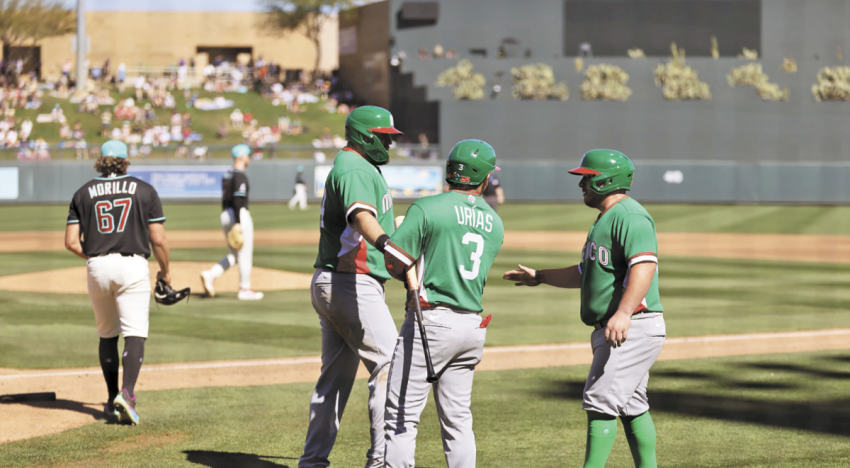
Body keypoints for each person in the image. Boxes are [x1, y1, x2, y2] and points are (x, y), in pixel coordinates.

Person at [503, 149, 666, 468]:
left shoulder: (630, 216)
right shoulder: (605, 219)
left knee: (599, 403)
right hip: (624, 327)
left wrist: (623, 312)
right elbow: (585, 272)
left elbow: (644, 267)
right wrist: (541, 277)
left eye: (587, 178)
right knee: (633, 407)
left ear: (606, 181)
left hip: (631, 326)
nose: (581, 184)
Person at [382, 140, 505, 468]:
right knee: (458, 421)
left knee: (401, 419)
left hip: (431, 321)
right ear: (484, 178)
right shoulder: (495, 223)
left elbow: (393, 262)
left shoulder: (427, 208)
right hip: (471, 326)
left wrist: (409, 268)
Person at [299, 105, 403, 468]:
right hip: (350, 282)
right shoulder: (356, 167)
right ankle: (382, 461)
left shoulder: (355, 165)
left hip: (335, 281)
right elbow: (361, 218)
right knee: (391, 365)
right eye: (384, 137)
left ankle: (313, 462)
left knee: (335, 380)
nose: (388, 145)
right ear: (364, 136)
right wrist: (389, 246)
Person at [64, 140, 171, 425]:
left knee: (107, 334)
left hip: (96, 265)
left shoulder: (82, 192)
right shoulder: (145, 189)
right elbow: (158, 239)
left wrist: (98, 257)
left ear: (101, 160)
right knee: (134, 332)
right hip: (132, 264)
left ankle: (112, 399)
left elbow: (71, 242)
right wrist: (165, 272)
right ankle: (128, 393)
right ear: (126, 162)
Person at [199, 144, 263, 300]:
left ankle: (211, 274)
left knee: (234, 254)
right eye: (247, 155)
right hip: (237, 214)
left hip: (226, 213)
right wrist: (238, 222)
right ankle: (244, 289)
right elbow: (238, 199)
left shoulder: (227, 174)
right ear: (241, 157)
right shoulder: (240, 176)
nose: (249, 158)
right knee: (245, 254)